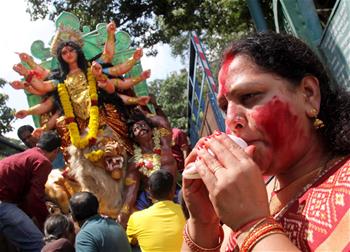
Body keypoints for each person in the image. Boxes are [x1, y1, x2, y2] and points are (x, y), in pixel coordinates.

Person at [181, 32, 350, 251]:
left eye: (249, 96)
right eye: (225, 108)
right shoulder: (250, 193)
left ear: (308, 94)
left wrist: (253, 225)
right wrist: (202, 222)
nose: (231, 121)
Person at [0, 131, 62, 251]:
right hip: (3, 203)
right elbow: (34, 198)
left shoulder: (29, 153)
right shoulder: (43, 161)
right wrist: (49, 222)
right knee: (41, 246)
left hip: (7, 201)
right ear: (56, 151)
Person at [117, 111, 178, 228]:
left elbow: (162, 122)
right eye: (136, 129)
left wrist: (144, 114)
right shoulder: (135, 163)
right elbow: (131, 191)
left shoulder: (165, 143)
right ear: (134, 138)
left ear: (151, 128)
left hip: (175, 194)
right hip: (152, 204)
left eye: (143, 125)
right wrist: (124, 212)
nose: (141, 128)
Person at [127, 169, 185, 252]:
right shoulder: (188, 214)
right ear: (172, 191)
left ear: (149, 193)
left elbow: (130, 242)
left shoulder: (136, 218)